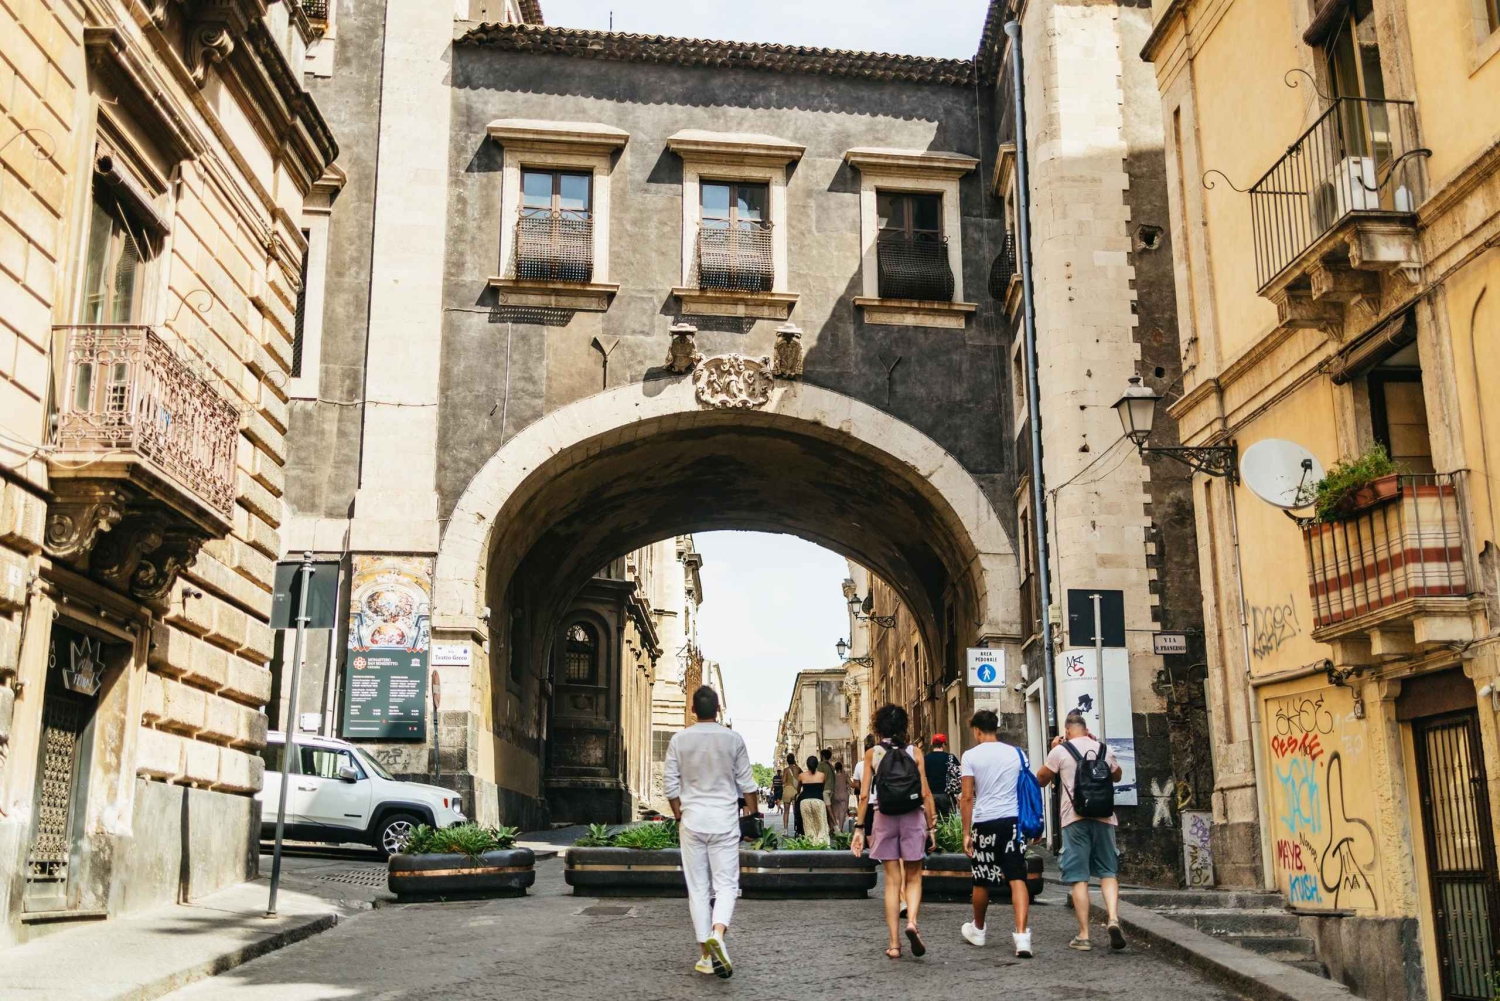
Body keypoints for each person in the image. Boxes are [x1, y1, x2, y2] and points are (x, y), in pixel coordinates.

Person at [663, 685, 760, 978]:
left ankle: (706, 954)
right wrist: (753, 815)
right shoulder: (733, 739)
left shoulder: (679, 740)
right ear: (718, 710)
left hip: (692, 821)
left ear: (693, 710)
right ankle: (718, 933)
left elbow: (670, 786)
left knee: (698, 888)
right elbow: (749, 785)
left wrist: (680, 814)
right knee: (727, 884)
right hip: (724, 821)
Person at [851, 704, 937, 960]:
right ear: (904, 727)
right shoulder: (915, 752)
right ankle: (911, 920)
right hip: (913, 817)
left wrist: (858, 829)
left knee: (891, 881)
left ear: (879, 728)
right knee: (914, 876)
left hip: (884, 818)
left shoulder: (873, 754)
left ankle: (894, 944)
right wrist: (931, 827)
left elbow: (865, 795)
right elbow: (925, 792)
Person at [1037, 710, 1126, 952]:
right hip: (1105, 818)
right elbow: (1117, 776)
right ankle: (1114, 919)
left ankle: (1084, 935)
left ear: (1067, 731)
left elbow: (1041, 779)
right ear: (1087, 730)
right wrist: (1097, 748)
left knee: (1079, 878)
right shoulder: (1103, 749)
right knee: (1108, 872)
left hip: (1074, 818)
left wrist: (1053, 749)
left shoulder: (1060, 751)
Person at [957, 710, 1032, 958]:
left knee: (981, 878)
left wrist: (966, 833)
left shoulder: (970, 756)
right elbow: (1025, 788)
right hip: (1011, 821)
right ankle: (1022, 937)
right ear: (995, 728)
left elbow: (967, 797)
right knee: (1017, 877)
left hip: (984, 823)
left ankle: (978, 930)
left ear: (977, 730)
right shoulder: (1017, 753)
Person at [924, 734, 961, 818]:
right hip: (947, 796)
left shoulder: (925, 758)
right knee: (948, 824)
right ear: (944, 744)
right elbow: (960, 774)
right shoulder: (950, 757)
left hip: (930, 797)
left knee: (933, 822)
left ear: (932, 744)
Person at [797, 755, 829, 845]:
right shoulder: (822, 775)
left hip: (805, 802)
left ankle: (811, 843)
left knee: (808, 825)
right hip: (818, 801)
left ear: (807, 765)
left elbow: (798, 789)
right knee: (821, 824)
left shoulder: (801, 776)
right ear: (817, 765)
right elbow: (822, 788)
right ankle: (822, 843)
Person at [781, 753, 800, 835]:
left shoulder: (785, 770)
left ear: (787, 761)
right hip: (796, 791)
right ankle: (798, 829)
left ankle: (785, 831)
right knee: (796, 812)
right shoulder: (798, 769)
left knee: (786, 812)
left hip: (787, 789)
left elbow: (783, 781)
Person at [818, 747, 836, 827]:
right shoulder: (831, 766)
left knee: (828, 808)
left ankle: (836, 826)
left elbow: (819, 776)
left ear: (823, 756)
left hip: (825, 789)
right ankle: (829, 827)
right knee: (828, 808)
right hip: (831, 789)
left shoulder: (821, 765)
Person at [831, 761, 850, 829]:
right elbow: (851, 784)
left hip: (835, 795)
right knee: (842, 812)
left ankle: (834, 828)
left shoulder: (833, 776)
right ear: (841, 768)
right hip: (844, 796)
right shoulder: (845, 776)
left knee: (835, 811)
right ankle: (840, 828)